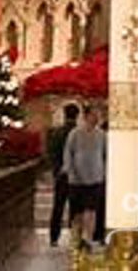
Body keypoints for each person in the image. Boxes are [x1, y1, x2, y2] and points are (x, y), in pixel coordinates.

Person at [63, 103, 108, 247]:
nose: (96, 118)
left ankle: (88, 238)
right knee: (77, 212)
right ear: (86, 116)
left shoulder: (102, 135)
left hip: (95, 178)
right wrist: (70, 172)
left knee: (92, 210)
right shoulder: (75, 133)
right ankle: (76, 237)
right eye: (94, 115)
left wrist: (104, 173)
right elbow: (68, 154)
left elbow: (106, 155)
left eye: (98, 116)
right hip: (76, 180)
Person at [46, 103, 80, 246]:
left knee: (58, 207)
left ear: (64, 114)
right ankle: (75, 237)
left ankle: (54, 238)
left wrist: (56, 170)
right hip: (76, 176)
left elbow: (51, 153)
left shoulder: (56, 132)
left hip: (61, 174)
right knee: (75, 207)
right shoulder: (79, 132)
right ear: (77, 116)